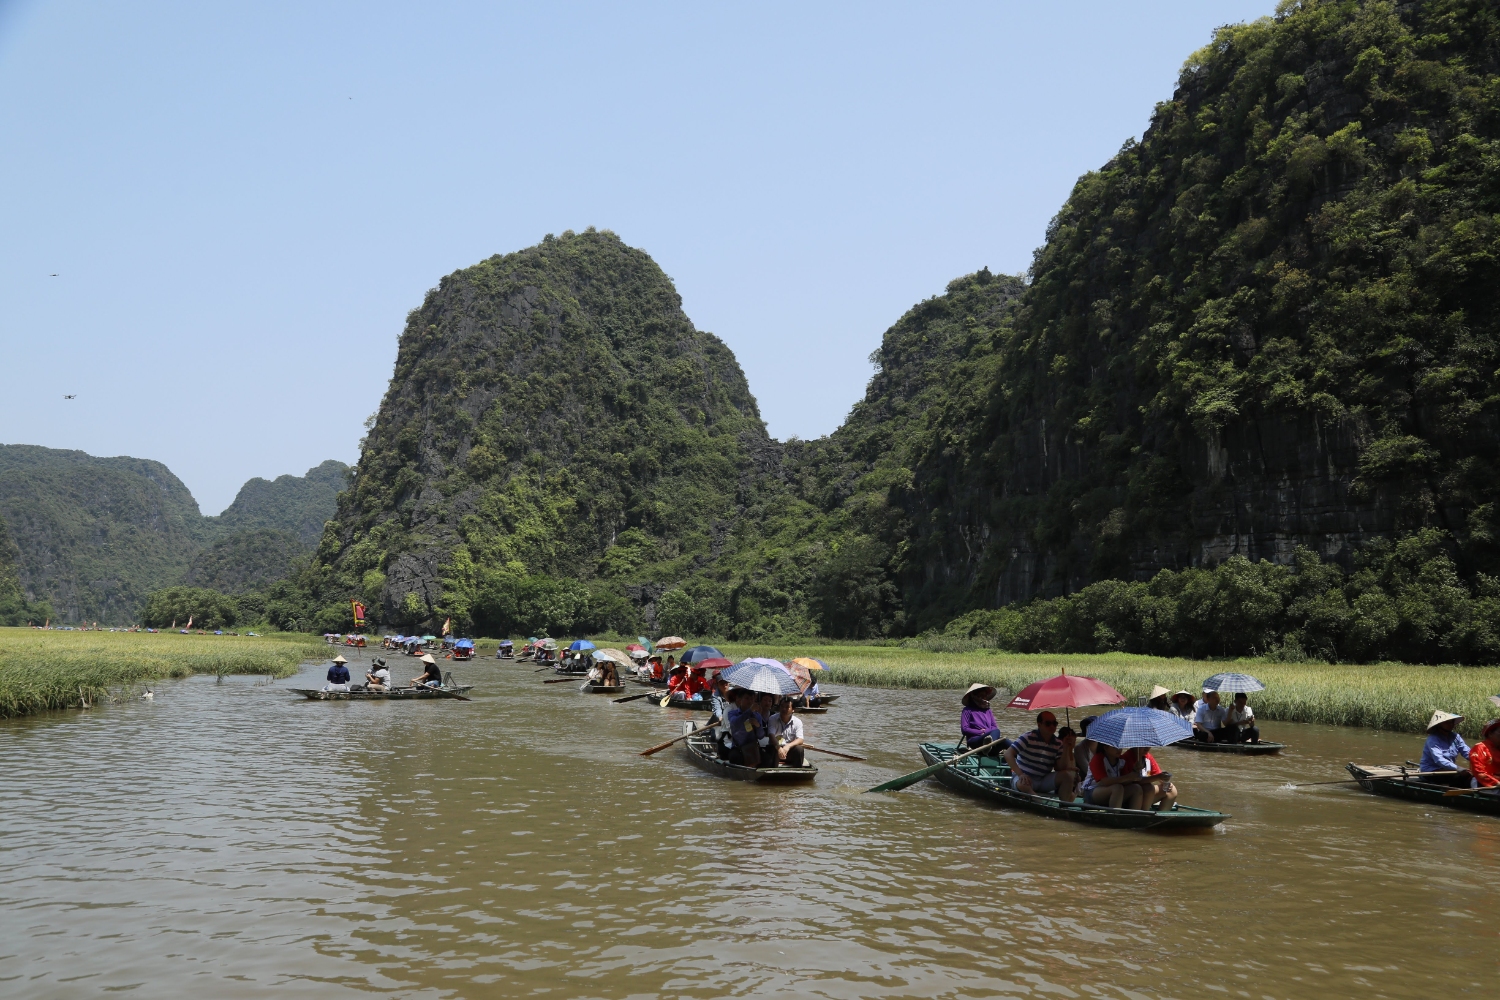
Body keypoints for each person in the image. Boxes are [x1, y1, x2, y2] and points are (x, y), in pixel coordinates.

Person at [1004, 712, 1077, 802]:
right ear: (1039, 725)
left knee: (1068, 776)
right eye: (1048, 723)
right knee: (1022, 784)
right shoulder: (1028, 737)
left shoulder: (1058, 743)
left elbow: (1060, 768)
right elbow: (1008, 754)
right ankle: (1037, 799)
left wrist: (1066, 747)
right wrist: (1020, 774)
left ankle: (1064, 805)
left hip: (1043, 780)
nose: (1052, 726)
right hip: (1025, 778)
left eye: (1055, 723)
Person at [1082, 743, 1145, 809]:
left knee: (1136, 788)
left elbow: (1125, 782)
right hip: (1091, 791)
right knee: (1117, 788)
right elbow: (1105, 781)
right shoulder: (1098, 758)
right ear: (1106, 748)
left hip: (1112, 791)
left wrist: (1134, 772)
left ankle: (1134, 816)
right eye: (1115, 747)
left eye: (1120, 746)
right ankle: (1114, 815)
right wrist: (1128, 777)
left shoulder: (1122, 760)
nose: (1119, 749)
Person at [1420, 711, 1472, 787]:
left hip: (1448, 769)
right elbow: (1439, 760)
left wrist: (1478, 760)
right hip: (1432, 771)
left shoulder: (1455, 737)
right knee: (1461, 778)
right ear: (1439, 724)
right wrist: (1458, 768)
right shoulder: (1433, 739)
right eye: (1447, 722)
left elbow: (1467, 752)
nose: (1451, 724)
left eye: (1452, 722)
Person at [960, 683, 1009, 754]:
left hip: (988, 741)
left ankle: (1021, 755)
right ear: (974, 696)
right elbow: (964, 729)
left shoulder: (988, 710)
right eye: (981, 696)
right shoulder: (967, 710)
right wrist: (980, 732)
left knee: (1004, 740)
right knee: (996, 731)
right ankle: (989, 746)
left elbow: (994, 727)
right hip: (975, 741)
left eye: (985, 696)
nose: (983, 698)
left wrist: (986, 731)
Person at [726, 689, 766, 768]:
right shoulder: (732, 713)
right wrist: (749, 711)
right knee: (735, 758)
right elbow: (735, 723)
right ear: (740, 700)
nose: (750, 701)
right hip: (738, 747)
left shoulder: (757, 715)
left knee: (767, 758)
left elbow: (761, 736)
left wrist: (757, 725)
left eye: (751, 699)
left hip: (752, 747)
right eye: (747, 698)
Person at [767, 697, 806, 767]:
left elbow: (800, 739)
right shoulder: (772, 718)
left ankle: (798, 772)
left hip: (789, 749)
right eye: (782, 706)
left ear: (793, 709)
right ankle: (772, 772)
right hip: (776, 748)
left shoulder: (798, 722)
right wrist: (778, 748)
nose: (784, 709)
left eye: (787, 707)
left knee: (799, 749)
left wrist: (788, 746)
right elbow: (771, 735)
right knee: (771, 749)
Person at [1469, 719, 1500, 790]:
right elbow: (1479, 772)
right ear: (1490, 734)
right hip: (1483, 783)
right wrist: (1496, 783)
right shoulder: (1479, 747)